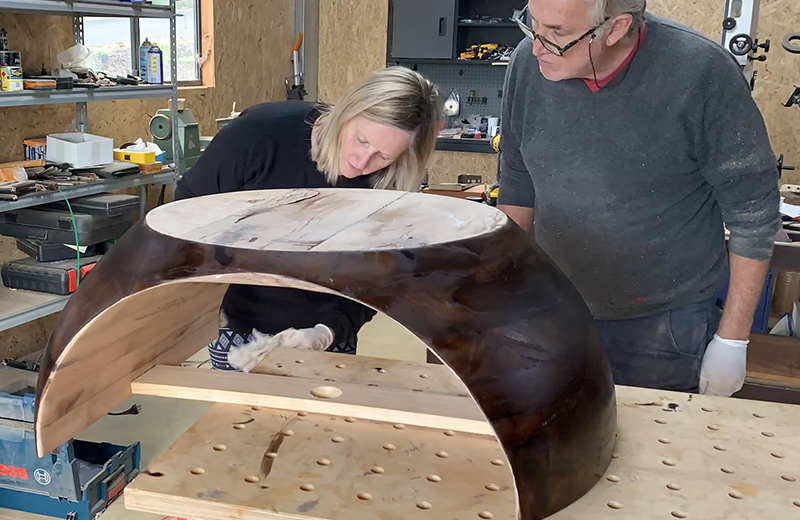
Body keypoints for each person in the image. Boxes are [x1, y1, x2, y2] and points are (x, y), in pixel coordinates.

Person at [499, 0, 780, 395]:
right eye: (531, 23)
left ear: (615, 29)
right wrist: (507, 290)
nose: (537, 45)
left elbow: (754, 214)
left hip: (663, 323)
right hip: (554, 304)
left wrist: (733, 340)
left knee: (651, 445)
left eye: (557, 33)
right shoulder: (529, 63)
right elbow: (517, 182)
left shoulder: (700, 72)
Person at [175, 67, 442, 370]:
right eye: (361, 140)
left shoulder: (389, 187)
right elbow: (187, 211)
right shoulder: (260, 134)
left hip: (324, 334)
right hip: (236, 321)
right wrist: (203, 297)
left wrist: (327, 331)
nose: (361, 162)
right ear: (347, 111)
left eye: (383, 156)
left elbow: (376, 277)